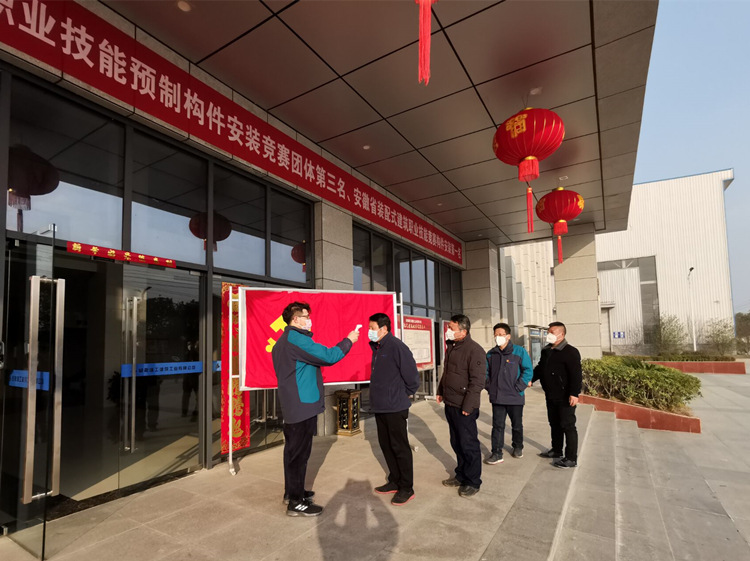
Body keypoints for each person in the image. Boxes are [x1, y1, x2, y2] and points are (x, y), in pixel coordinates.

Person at [272, 302, 360, 517]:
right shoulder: (297, 339)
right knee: (298, 455)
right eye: (306, 316)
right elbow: (329, 356)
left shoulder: (282, 341)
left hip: (295, 404)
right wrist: (349, 340)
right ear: (295, 319)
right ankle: (296, 503)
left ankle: (293, 493)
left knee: (293, 452)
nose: (309, 320)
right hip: (301, 405)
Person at [368, 313, 420, 506]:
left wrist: (406, 394)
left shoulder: (396, 346)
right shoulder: (377, 347)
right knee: (386, 444)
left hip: (395, 406)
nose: (370, 331)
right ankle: (395, 480)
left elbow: (412, 376)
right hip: (380, 406)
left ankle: (406, 487)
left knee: (399, 447)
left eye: (372, 328)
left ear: (384, 329)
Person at [436, 314, 486, 498]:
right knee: (456, 442)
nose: (448, 331)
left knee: (468, 444)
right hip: (450, 402)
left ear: (463, 331)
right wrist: (441, 390)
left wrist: (468, 405)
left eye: (451, 328)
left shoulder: (474, 350)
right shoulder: (452, 346)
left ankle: (473, 481)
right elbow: (447, 373)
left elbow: (477, 382)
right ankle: (461, 475)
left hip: (464, 405)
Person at [532, 322, 582, 469]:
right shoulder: (547, 350)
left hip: (565, 396)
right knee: (554, 423)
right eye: (548, 332)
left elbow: (576, 375)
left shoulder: (571, 352)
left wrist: (574, 393)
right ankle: (556, 450)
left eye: (552, 332)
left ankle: (571, 458)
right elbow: (540, 368)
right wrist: (530, 379)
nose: (549, 335)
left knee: (568, 425)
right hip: (550, 394)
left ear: (562, 334)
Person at [485, 323, 533, 465]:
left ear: (508, 336)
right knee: (497, 426)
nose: (497, 337)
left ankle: (517, 447)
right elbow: (485, 373)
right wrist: (489, 387)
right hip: (498, 397)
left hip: (515, 396)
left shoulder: (519, 352)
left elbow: (528, 370)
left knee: (516, 425)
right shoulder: (491, 354)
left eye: (500, 334)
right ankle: (496, 453)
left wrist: (519, 387)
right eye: (495, 335)